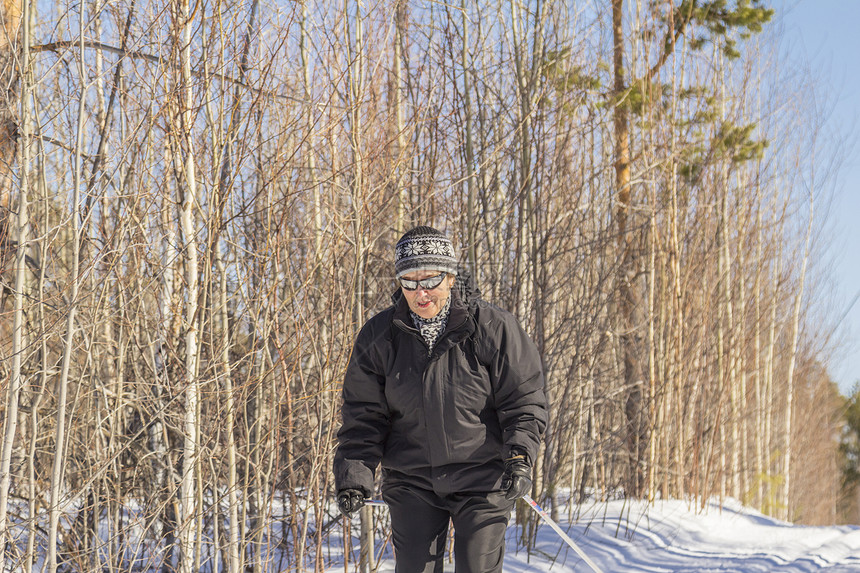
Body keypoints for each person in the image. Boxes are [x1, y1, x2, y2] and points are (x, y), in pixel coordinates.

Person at [333, 225, 548, 573]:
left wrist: (520, 457)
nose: (421, 293)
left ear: (450, 277)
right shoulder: (379, 336)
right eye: (409, 282)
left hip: (482, 477)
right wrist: (354, 476)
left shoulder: (493, 329)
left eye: (430, 280)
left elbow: (523, 401)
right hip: (412, 477)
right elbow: (364, 415)